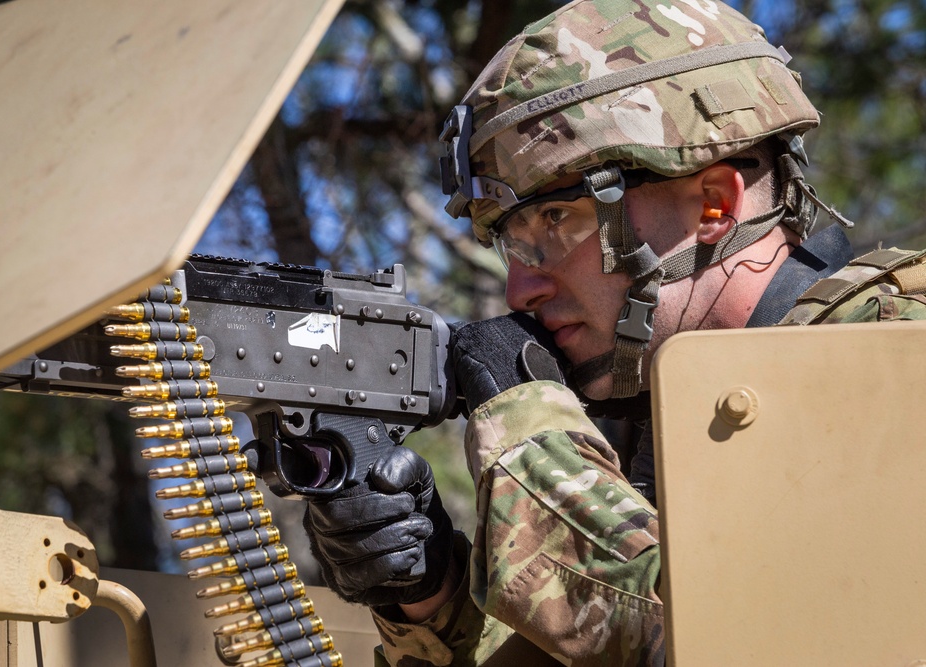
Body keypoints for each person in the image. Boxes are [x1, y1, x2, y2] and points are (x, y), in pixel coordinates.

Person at [303, 1, 926, 665]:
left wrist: (531, 444)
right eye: (512, 244)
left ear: (714, 205)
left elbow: (744, 642)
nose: (522, 289)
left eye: (559, 220)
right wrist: (432, 595)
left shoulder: (895, 369)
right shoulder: (647, 429)